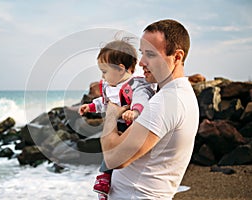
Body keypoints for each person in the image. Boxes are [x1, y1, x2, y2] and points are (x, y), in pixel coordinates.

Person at [100, 19, 199, 199]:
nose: (141, 62)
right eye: (142, 54)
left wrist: (111, 115)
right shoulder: (180, 94)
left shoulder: (167, 101)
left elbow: (113, 158)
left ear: (177, 57)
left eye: (151, 55)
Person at [78, 40, 155, 199]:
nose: (102, 76)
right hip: (118, 125)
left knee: (115, 153)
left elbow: (142, 100)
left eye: (104, 71)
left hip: (131, 126)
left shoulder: (136, 85)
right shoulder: (110, 88)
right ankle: (105, 181)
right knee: (110, 151)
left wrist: (134, 112)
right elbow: (104, 102)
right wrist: (90, 107)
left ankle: (105, 178)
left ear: (120, 69)